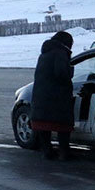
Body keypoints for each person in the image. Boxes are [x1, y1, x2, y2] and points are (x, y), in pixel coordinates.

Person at [31, 31, 75, 160]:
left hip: (40, 97)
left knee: (44, 126)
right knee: (62, 126)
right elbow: (61, 74)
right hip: (56, 98)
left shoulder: (44, 54)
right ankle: (64, 153)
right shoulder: (60, 53)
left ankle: (47, 151)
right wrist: (70, 73)